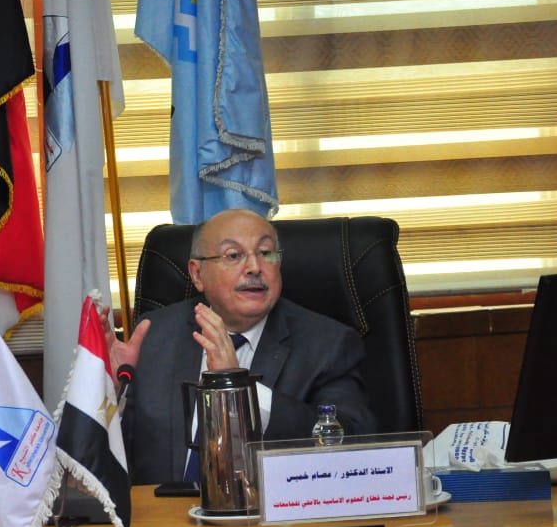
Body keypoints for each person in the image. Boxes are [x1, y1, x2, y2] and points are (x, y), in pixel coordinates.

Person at [109, 208, 376, 485]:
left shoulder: (328, 345)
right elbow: (120, 456)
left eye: (266, 253)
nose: (255, 268)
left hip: (264, 510)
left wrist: (240, 389)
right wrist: (110, 394)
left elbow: (351, 443)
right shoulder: (155, 333)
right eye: (234, 255)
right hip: (162, 510)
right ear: (197, 274)